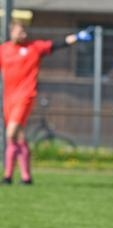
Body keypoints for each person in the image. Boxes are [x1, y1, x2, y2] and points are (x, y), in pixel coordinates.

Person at [0, 20, 92, 185]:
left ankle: (8, 176)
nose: (24, 35)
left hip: (25, 96)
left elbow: (59, 44)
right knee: (18, 137)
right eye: (20, 32)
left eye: (25, 32)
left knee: (10, 133)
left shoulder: (34, 47)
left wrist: (78, 36)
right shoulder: (4, 50)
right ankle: (23, 177)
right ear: (11, 32)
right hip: (9, 99)